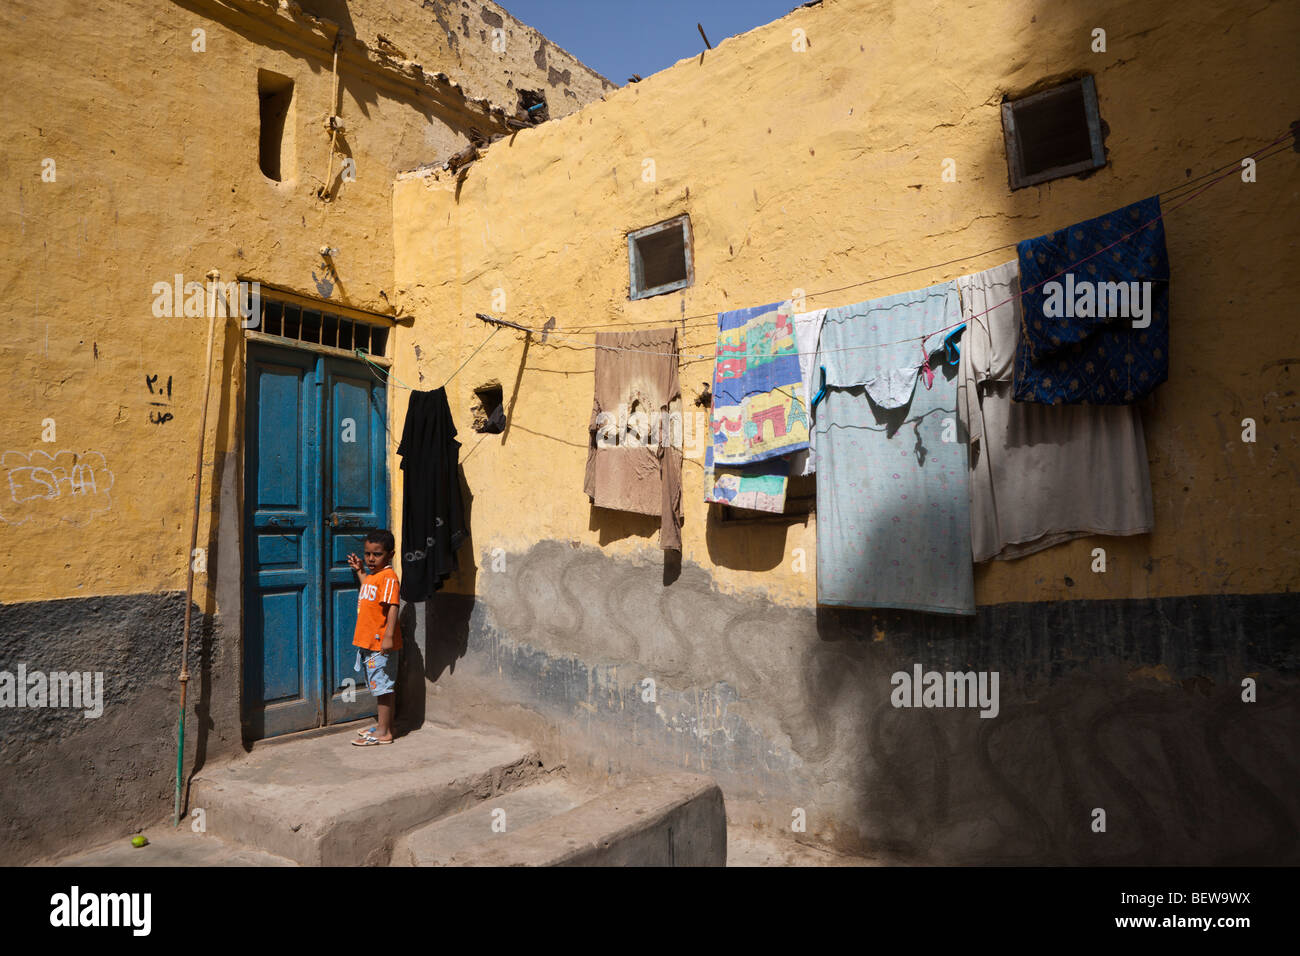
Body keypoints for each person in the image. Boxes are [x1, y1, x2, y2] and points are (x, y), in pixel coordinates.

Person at [347, 530, 402, 746]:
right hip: (370, 642)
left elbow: (393, 607)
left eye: (377, 554)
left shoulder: (388, 577)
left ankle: (384, 733)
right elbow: (368, 589)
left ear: (390, 555)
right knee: (381, 686)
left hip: (380, 644)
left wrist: (388, 636)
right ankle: (386, 725)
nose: (371, 558)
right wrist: (360, 570)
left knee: (383, 688)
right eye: (367, 554)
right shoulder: (374, 576)